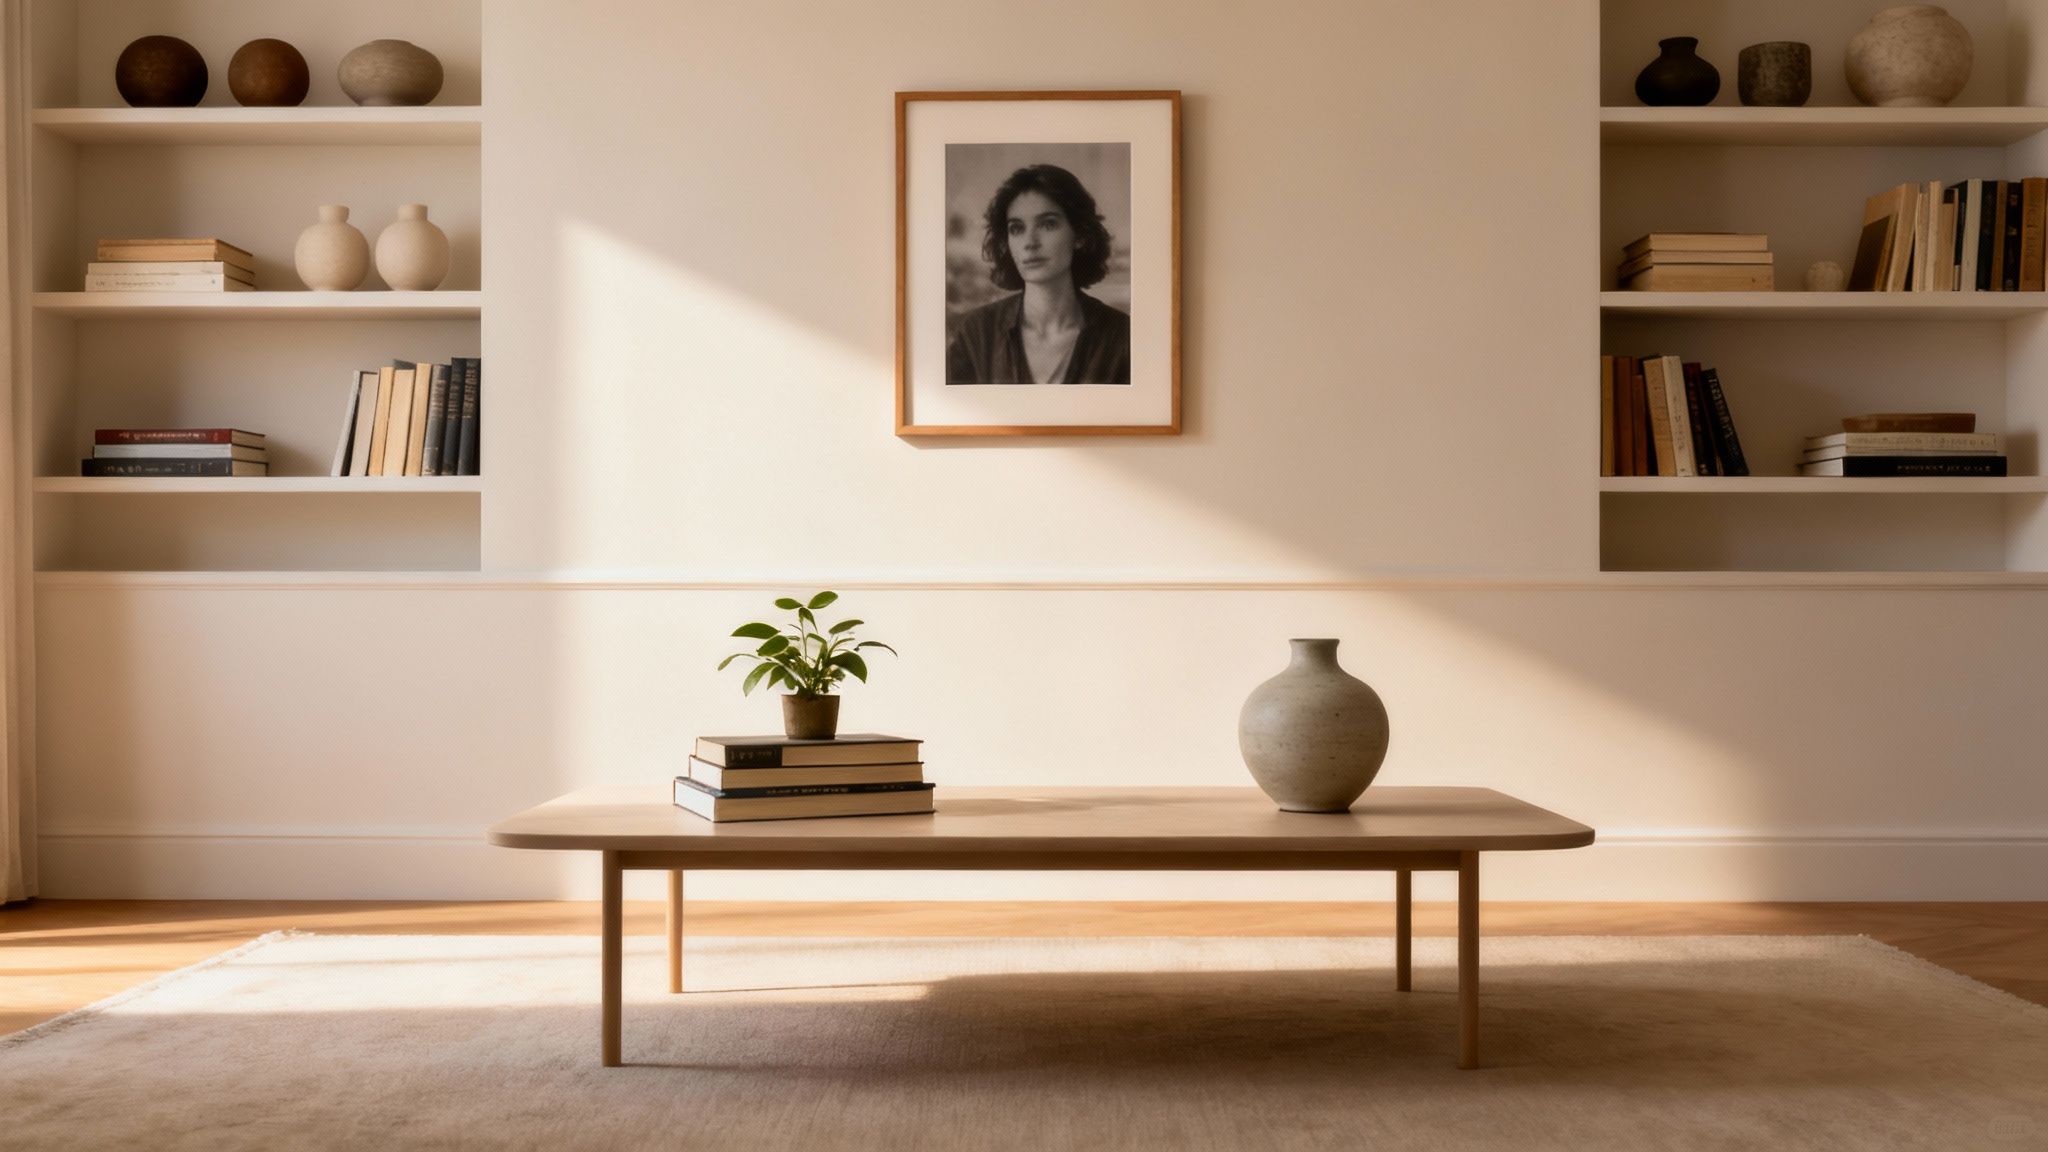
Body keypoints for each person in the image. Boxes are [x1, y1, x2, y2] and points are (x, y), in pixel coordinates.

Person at [946, 164, 1131, 385]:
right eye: (1017, 228)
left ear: (1080, 234)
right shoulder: (976, 335)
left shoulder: (1123, 338)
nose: (1030, 242)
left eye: (1048, 224)